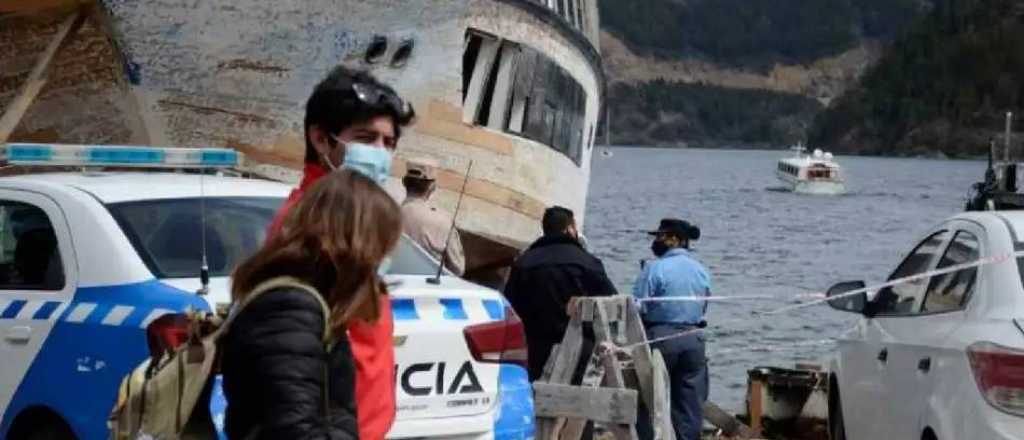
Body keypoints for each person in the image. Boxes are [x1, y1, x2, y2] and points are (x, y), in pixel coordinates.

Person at [266, 65, 414, 440]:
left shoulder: (350, 221)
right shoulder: (310, 227)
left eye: (389, 143)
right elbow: (290, 365)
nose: (380, 153)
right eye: (366, 139)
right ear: (320, 138)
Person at [223, 170, 403, 439]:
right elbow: (294, 431)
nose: (381, 261)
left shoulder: (307, 302)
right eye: (380, 247)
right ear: (356, 244)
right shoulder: (290, 309)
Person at [503, 206, 618, 381]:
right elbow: (610, 300)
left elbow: (510, 304)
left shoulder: (524, 262)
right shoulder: (587, 261)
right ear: (569, 229)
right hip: (579, 346)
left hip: (534, 344)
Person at [632, 218, 711, 440]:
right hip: (694, 338)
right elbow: (704, 304)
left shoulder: (654, 268)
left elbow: (638, 306)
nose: (655, 241)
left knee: (650, 398)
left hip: (662, 337)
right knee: (690, 402)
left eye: (660, 236)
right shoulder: (700, 270)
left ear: (675, 239)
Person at [400, 159, 466, 276]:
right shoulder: (443, 221)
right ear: (432, 187)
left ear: (404, 182)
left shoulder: (388, 214)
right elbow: (458, 268)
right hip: (425, 290)